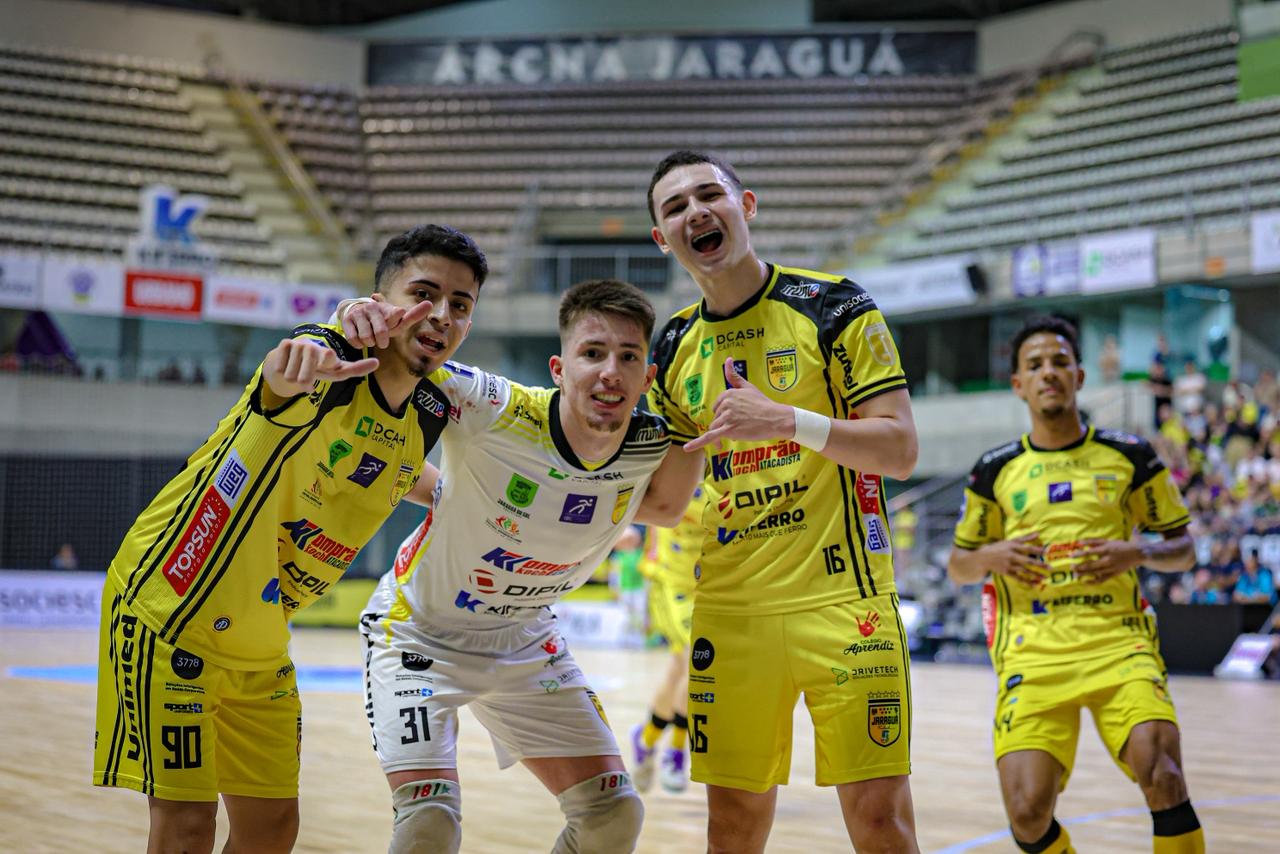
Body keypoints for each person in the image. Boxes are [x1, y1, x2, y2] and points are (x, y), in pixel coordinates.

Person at [91, 224, 484, 854]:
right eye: (424, 293)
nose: (440, 315)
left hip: (261, 636)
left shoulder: (429, 411)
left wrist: (475, 507)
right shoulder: (325, 359)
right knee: (187, 828)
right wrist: (311, 346)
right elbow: (289, 366)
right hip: (172, 606)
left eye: (459, 305)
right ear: (380, 300)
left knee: (273, 831)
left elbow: (403, 469)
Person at [637, 150, 920, 853]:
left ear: (747, 206)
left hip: (845, 601)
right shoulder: (672, 344)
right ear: (662, 238)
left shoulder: (834, 305)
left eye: (710, 195)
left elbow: (900, 449)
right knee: (730, 829)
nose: (695, 212)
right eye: (675, 207)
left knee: (880, 822)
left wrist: (790, 421)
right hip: (732, 615)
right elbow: (668, 502)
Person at [344, 279, 664, 854]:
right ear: (559, 368)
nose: (610, 371)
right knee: (429, 825)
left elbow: (672, 505)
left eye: (628, 356)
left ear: (649, 374)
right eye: (592, 353)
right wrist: (354, 317)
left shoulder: (656, 443)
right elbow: (390, 364)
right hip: (418, 631)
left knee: (613, 815)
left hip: (523, 638)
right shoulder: (495, 406)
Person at [948, 315, 1204, 854]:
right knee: (1026, 814)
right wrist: (991, 554)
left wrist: (1137, 551)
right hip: (1033, 655)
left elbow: (1183, 551)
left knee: (1163, 775)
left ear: (1080, 376)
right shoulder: (994, 470)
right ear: (1018, 384)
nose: (1049, 373)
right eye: (1035, 365)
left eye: (1060, 362)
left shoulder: (1131, 456)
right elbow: (959, 565)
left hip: (1119, 643)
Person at [631, 486, 705, 795]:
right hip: (670, 580)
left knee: (679, 667)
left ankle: (646, 738)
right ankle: (676, 751)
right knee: (698, 660)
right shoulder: (677, 452)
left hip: (708, 579)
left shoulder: (733, 459)